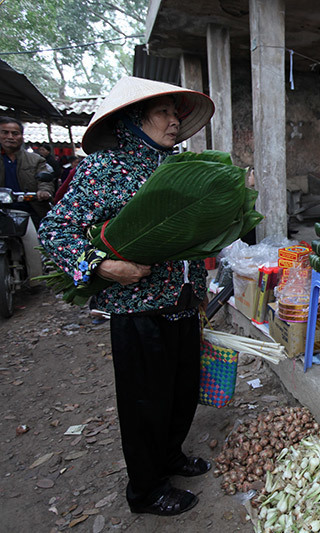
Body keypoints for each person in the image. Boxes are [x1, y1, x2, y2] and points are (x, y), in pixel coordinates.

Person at [39, 76, 215, 517]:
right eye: (164, 113)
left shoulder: (177, 168)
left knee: (180, 391)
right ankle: (146, 489)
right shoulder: (103, 170)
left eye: (177, 113)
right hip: (138, 311)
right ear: (135, 120)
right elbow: (55, 231)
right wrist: (101, 266)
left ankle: (170, 456)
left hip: (181, 302)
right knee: (145, 402)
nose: (174, 121)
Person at [0, 117, 55, 227]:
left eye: (15, 134)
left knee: (35, 242)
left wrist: (43, 191)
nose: (10, 137)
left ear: (21, 136)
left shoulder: (36, 160)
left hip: (30, 211)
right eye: (5, 133)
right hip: (2, 211)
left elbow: (45, 180)